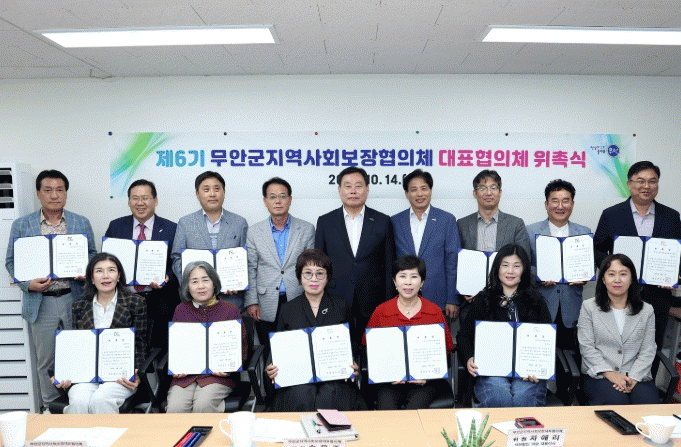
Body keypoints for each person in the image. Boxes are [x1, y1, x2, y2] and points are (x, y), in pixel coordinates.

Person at [4, 169, 97, 412]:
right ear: (38, 193)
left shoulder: (80, 222)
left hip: (74, 298)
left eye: (59, 190)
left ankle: (77, 405)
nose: (54, 195)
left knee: (79, 354)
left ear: (66, 193)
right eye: (48, 190)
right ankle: (52, 408)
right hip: (41, 301)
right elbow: (11, 262)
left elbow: (93, 255)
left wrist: (85, 271)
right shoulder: (22, 225)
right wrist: (27, 284)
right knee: (46, 360)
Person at [594, 161, 681, 347]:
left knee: (652, 346)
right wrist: (612, 270)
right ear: (629, 184)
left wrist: (675, 274)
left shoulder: (672, 217)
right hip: (619, 294)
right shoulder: (611, 214)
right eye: (640, 181)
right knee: (617, 346)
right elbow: (597, 250)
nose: (646, 186)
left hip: (658, 297)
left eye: (652, 181)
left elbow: (679, 253)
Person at [266, 249, 365, 411]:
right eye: (308, 273)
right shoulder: (288, 309)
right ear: (299, 277)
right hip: (298, 378)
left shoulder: (341, 306)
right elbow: (278, 349)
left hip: (333, 376)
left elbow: (352, 342)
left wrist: (352, 362)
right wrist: (272, 367)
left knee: (330, 395)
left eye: (320, 273)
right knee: (300, 395)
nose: (314, 279)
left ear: (327, 277)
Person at [51, 253, 147, 414]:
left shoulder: (135, 302)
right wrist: (62, 373)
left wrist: (136, 372)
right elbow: (77, 346)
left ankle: (107, 432)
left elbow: (140, 343)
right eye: (99, 271)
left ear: (119, 276)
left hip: (119, 375)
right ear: (91, 278)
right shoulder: (79, 307)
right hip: (87, 376)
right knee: (78, 402)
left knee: (100, 401)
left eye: (111, 270)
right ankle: (77, 433)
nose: (105, 276)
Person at [458, 244, 551, 408]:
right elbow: (464, 336)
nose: (510, 271)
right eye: (505, 265)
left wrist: (539, 367)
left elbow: (548, 339)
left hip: (528, 372)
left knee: (523, 398)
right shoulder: (483, 300)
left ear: (524, 270)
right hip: (492, 371)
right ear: (497, 269)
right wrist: (468, 358)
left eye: (517, 266)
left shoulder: (537, 301)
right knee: (500, 396)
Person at [363, 255, 454, 409]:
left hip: (425, 382)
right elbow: (369, 351)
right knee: (386, 408)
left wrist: (428, 376)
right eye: (402, 276)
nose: (408, 282)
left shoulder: (434, 312)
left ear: (422, 282)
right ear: (394, 281)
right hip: (389, 382)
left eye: (414, 277)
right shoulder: (381, 312)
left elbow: (446, 353)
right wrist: (386, 373)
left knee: (415, 409)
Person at [315, 166, 395, 342]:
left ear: (367, 189)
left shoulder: (382, 221)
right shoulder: (325, 221)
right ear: (339, 190)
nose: (353, 191)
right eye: (348, 186)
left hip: (373, 297)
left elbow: (389, 264)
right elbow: (319, 266)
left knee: (372, 349)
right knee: (339, 349)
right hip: (335, 297)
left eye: (358, 186)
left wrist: (389, 302)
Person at [245, 177, 315, 361]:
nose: (278, 201)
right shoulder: (254, 231)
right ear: (265, 201)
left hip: (298, 298)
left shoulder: (306, 229)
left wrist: (311, 299)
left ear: (290, 200)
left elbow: (311, 269)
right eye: (272, 196)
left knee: (298, 353)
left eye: (283, 196)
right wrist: (251, 301)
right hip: (264, 302)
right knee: (270, 355)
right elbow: (251, 268)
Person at [104, 179, 179, 351]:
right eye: (135, 198)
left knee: (160, 353)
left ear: (155, 200)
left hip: (160, 301)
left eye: (145, 198)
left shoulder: (172, 228)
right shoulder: (116, 226)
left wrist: (168, 277)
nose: (140, 203)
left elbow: (177, 263)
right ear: (129, 201)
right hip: (123, 301)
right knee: (124, 351)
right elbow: (105, 261)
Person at [166, 261, 247, 413]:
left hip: (219, 376)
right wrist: (176, 366)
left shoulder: (230, 310)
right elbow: (176, 346)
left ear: (214, 283)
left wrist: (229, 366)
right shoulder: (181, 310)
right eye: (194, 282)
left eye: (205, 280)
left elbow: (241, 348)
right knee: (175, 408)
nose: (201, 286)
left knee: (203, 405)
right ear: (187, 287)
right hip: (186, 376)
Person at [577, 253, 658, 405]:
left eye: (623, 274)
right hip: (600, 374)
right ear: (603, 279)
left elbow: (648, 349)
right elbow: (587, 347)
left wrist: (633, 377)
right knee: (617, 402)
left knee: (647, 404)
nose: (617, 280)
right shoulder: (589, 307)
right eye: (611, 274)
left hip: (636, 375)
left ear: (631, 278)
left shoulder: (646, 310)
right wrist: (610, 374)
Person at [526, 179, 592, 350]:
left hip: (572, 306)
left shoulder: (584, 232)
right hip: (540, 304)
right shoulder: (530, 231)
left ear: (572, 204)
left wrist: (584, 275)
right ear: (546, 204)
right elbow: (523, 266)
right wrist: (539, 275)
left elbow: (590, 266)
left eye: (565, 201)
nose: (560, 206)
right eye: (555, 201)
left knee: (569, 357)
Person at [171, 171, 248, 311]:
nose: (212, 194)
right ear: (197, 194)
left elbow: (247, 259)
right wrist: (191, 285)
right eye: (206, 190)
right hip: (195, 302)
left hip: (231, 301)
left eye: (217, 189)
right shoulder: (185, 223)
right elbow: (177, 259)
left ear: (224, 192)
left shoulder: (239, 223)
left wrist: (239, 282)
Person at [391, 169, 461, 319]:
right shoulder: (395, 221)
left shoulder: (446, 220)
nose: (419, 194)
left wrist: (452, 298)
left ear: (430, 190)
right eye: (413, 190)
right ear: (406, 194)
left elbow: (452, 261)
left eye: (424, 188)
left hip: (437, 297)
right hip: (403, 298)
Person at [457, 170, 531, 305]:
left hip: (506, 300)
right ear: (475, 193)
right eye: (482, 188)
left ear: (500, 192)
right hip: (471, 299)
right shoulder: (462, 224)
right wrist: (463, 289)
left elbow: (524, 262)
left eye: (493, 188)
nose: (488, 193)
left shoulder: (516, 224)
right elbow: (455, 261)